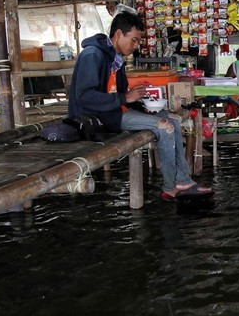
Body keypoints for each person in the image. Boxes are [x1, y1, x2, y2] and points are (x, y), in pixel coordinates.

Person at [68, 11, 213, 201]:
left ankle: (183, 180)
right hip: (96, 118)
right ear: (119, 34)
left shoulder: (115, 58)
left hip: (113, 112)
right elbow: (85, 96)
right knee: (165, 126)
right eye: (134, 40)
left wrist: (139, 103)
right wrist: (126, 97)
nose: (136, 46)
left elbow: (119, 94)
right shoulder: (92, 55)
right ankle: (170, 187)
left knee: (174, 121)